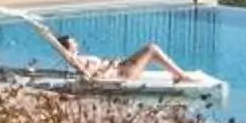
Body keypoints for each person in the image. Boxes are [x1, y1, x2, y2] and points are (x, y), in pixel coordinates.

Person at [53, 32, 192, 83]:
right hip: (124, 73)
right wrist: (111, 66)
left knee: (150, 49)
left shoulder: (79, 59)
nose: (76, 42)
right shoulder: (78, 61)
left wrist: (110, 63)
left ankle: (178, 74)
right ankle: (180, 75)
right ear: (69, 47)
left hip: (123, 66)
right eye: (73, 42)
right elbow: (95, 76)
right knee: (151, 48)